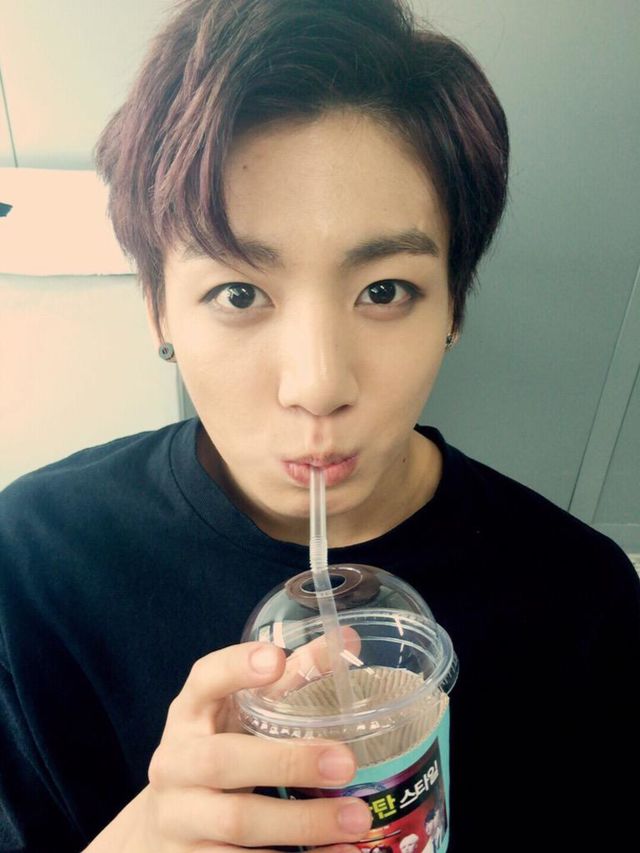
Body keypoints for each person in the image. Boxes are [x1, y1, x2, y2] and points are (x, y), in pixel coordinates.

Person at [0, 1, 638, 851]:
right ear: (158, 309)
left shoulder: (582, 597)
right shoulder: (31, 564)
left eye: (384, 291)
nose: (317, 385)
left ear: (453, 306)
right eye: (238, 292)